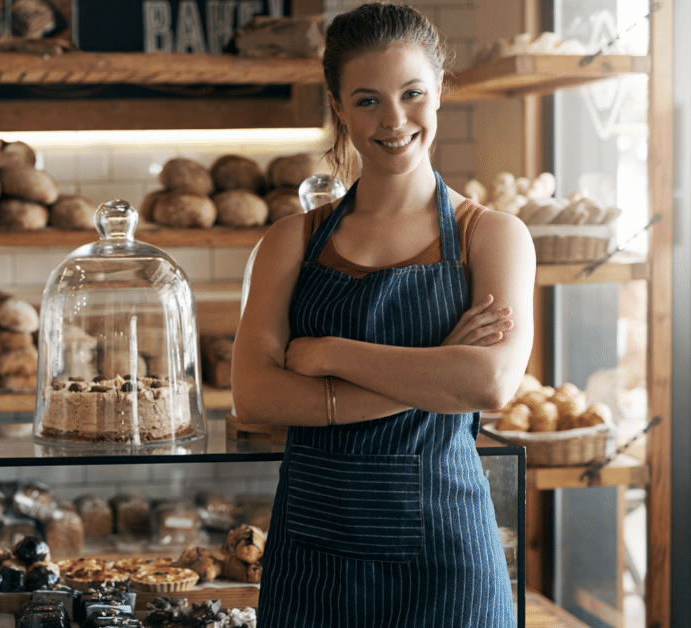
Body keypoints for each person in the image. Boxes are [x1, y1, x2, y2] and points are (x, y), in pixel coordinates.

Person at [230, 3, 536, 627]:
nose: (394, 121)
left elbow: (488, 384)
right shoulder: (290, 241)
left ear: (440, 92)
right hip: (313, 557)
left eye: (413, 93)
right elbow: (254, 397)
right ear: (338, 107)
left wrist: (330, 356)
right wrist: (432, 370)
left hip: (448, 558)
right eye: (367, 100)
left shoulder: (494, 236)